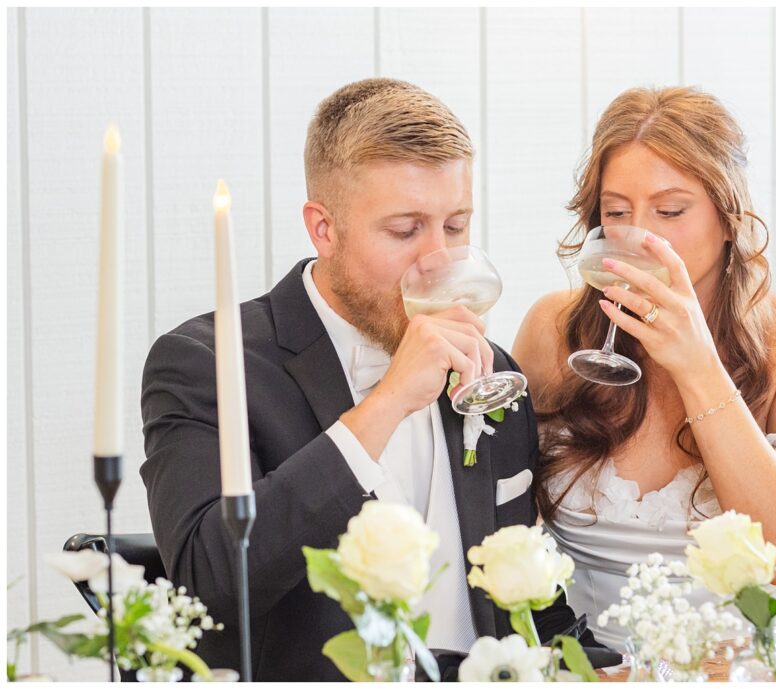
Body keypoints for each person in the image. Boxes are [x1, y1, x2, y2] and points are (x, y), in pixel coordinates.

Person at [140, 78, 596, 681]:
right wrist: (386, 404)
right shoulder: (204, 364)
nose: (439, 260)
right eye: (405, 231)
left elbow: (531, 614)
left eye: (456, 226)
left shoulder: (494, 373)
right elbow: (209, 581)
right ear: (323, 228)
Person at [512, 86, 776, 651]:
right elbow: (500, 524)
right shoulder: (554, 330)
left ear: (729, 218)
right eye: (616, 212)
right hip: (584, 664)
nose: (640, 236)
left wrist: (696, 364)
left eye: (670, 210)